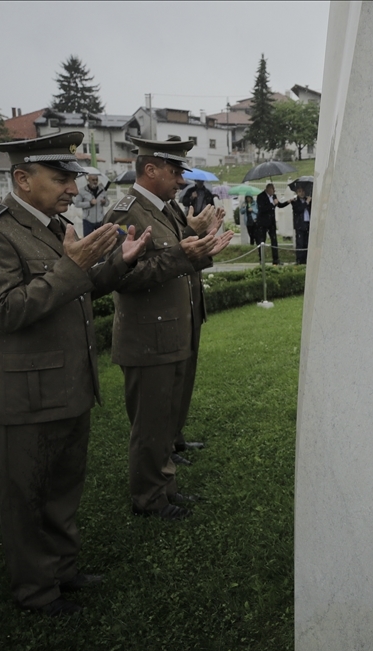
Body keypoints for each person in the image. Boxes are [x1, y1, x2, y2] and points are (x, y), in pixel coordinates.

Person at [0, 132, 152, 617]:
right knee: (28, 497)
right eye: (61, 177)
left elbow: (74, 290)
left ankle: (63, 569)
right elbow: (4, 311)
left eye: (72, 177)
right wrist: (74, 267)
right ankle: (37, 591)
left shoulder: (51, 225)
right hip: (26, 395)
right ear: (23, 179)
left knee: (63, 489)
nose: (72, 187)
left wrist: (113, 267)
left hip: (68, 386)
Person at [105, 136, 233, 521]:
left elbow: (177, 257)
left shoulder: (163, 209)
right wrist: (185, 252)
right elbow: (123, 277)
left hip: (172, 329)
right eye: (175, 171)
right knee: (150, 426)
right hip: (148, 337)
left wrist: (195, 240)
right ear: (150, 169)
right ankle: (150, 500)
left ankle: (163, 487)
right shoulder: (127, 213)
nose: (180, 180)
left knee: (162, 421)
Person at [256, 182, 289, 265]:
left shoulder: (273, 196)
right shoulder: (260, 196)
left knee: (274, 241)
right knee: (262, 241)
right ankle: (262, 260)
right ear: (268, 189)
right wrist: (272, 204)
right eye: (273, 189)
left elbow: (279, 205)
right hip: (263, 223)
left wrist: (288, 202)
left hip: (271, 223)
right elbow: (262, 208)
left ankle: (276, 260)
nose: (274, 190)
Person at [290, 186, 311, 264]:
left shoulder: (308, 200)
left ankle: (306, 259)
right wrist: (306, 203)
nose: (301, 193)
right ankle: (299, 259)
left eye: (302, 191)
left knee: (306, 243)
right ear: (297, 193)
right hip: (300, 225)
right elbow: (298, 209)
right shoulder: (295, 202)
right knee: (300, 243)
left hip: (307, 224)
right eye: (299, 191)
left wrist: (308, 202)